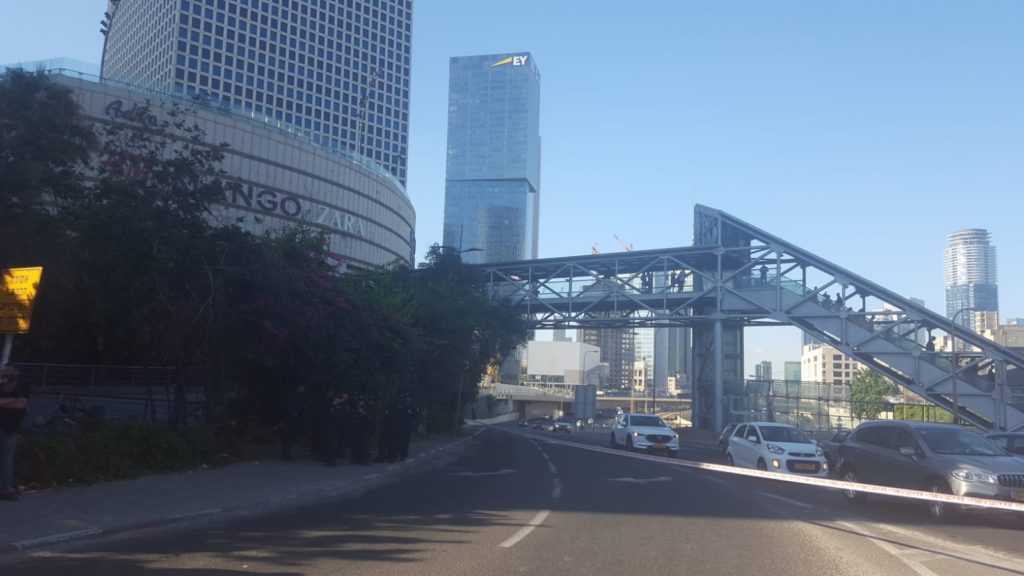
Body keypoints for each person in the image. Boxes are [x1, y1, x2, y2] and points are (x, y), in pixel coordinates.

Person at [0, 365, 29, 502]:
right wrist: (12, 400)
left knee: (6, 459)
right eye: (3, 370)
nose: (4, 373)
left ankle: (5, 489)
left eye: (8, 370)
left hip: (11, 427)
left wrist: (3, 402)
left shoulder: (22, 386)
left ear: (16, 373)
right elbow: (17, 402)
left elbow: (21, 404)